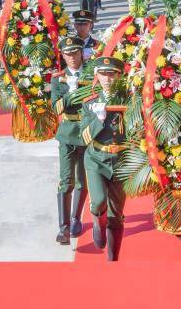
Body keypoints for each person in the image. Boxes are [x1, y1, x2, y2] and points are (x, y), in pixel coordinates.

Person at [80, 56, 128, 261]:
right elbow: (84, 138)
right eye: (103, 74)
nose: (107, 79)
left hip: (121, 160)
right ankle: (98, 222)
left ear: (119, 76)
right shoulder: (90, 103)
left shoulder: (128, 100)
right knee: (99, 201)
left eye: (112, 74)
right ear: (96, 76)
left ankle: (113, 258)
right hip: (97, 158)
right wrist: (98, 120)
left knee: (116, 214)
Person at [51, 36, 89, 245]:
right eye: (68, 54)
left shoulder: (91, 74)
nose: (72, 57)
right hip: (67, 133)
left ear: (81, 52)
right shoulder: (58, 79)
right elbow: (56, 108)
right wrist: (70, 93)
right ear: (63, 56)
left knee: (83, 180)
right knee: (66, 180)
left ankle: (76, 218)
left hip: (87, 132)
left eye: (75, 52)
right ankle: (63, 227)